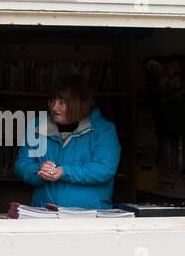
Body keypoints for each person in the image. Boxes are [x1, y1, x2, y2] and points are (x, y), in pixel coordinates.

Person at [13, 73, 121, 209]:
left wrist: (65, 172)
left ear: (79, 104)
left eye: (61, 102)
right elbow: (22, 163)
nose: (54, 107)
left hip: (91, 217)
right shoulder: (37, 126)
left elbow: (104, 169)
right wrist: (38, 170)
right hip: (45, 214)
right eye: (52, 100)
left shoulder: (103, 130)